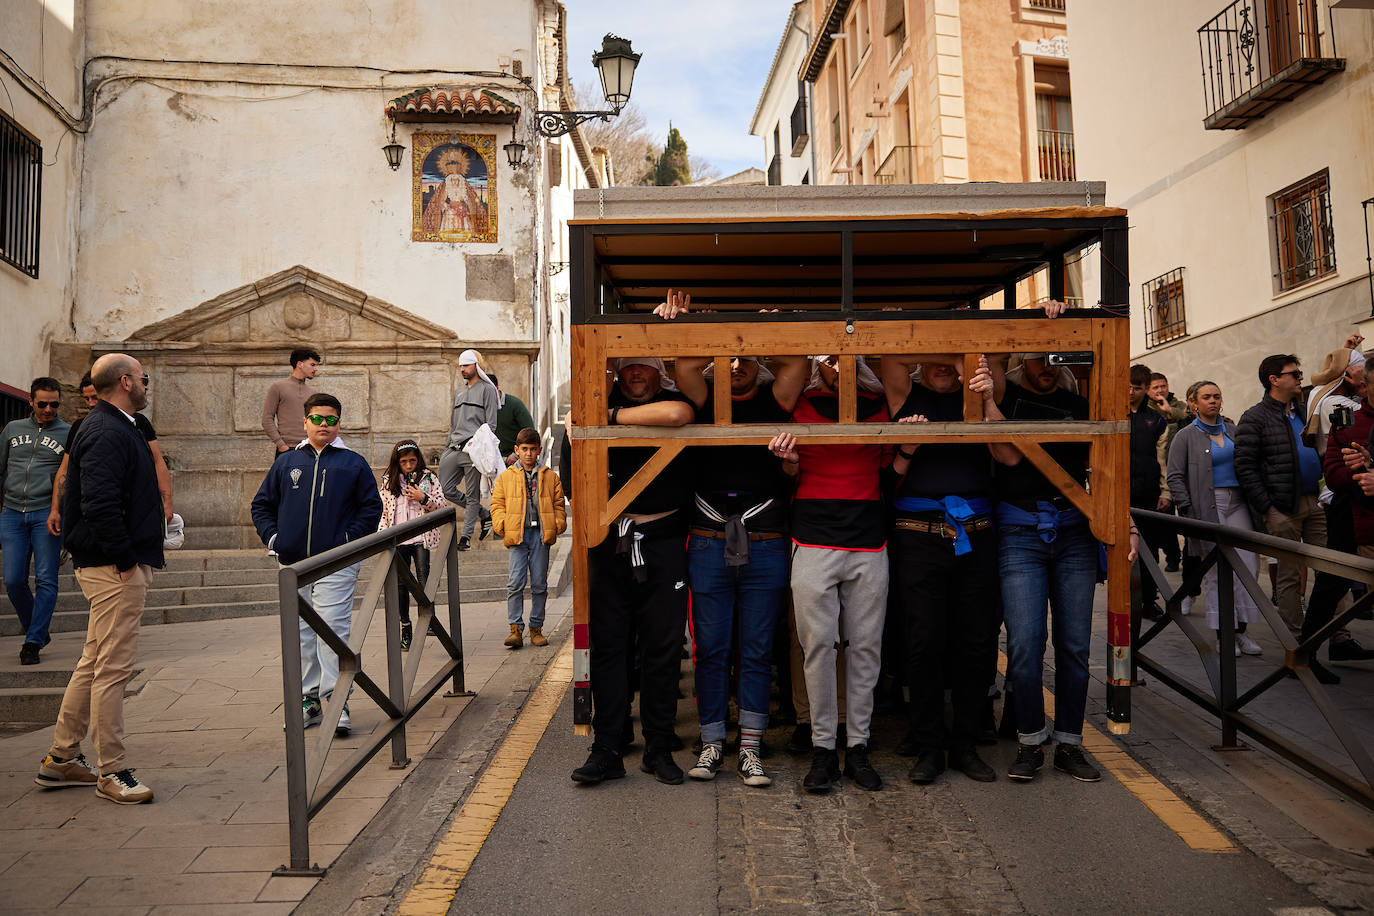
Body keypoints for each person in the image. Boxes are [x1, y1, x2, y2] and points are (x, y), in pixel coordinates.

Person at [655, 289, 808, 789]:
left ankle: (751, 747)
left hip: (764, 539)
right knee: (712, 648)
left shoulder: (775, 397)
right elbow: (684, 364)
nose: (738, 363)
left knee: (758, 647)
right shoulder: (702, 397)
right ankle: (713, 740)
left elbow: (796, 361)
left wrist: (756, 333)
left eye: (746, 357)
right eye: (730, 355)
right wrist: (724, 331)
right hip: (707, 539)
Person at [36, 354, 162, 804]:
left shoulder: (115, 424)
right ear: (126, 382)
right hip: (113, 567)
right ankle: (112, 770)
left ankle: (61, 758)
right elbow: (97, 501)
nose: (147, 384)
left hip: (110, 562)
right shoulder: (108, 429)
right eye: (143, 378)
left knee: (93, 660)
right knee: (113, 667)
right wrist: (124, 558)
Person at [881, 354, 1012, 786]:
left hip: (975, 532)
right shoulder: (905, 392)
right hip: (918, 535)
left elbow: (1007, 454)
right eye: (932, 357)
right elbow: (891, 355)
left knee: (976, 643)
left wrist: (964, 364)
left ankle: (966, 745)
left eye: (949, 358)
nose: (939, 364)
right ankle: (928, 745)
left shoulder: (982, 391)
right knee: (923, 643)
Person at [570, 357, 696, 787]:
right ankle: (607, 747)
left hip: (663, 542)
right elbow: (574, 482)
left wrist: (608, 418)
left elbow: (679, 415)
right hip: (609, 544)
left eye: (644, 367)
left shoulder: (669, 402)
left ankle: (659, 747)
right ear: (616, 374)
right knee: (609, 648)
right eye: (628, 369)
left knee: (662, 648)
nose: (636, 375)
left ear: (657, 372)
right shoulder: (591, 406)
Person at [769, 355, 890, 794]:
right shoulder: (798, 402)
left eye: (849, 358)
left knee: (866, 647)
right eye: (832, 360)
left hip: (868, 538)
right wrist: (789, 463)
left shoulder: (879, 403)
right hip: (813, 537)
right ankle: (823, 748)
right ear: (821, 366)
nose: (841, 365)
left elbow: (889, 466)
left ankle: (857, 745)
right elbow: (787, 473)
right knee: (817, 647)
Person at [991, 352, 1103, 784]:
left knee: (1074, 646)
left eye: (1056, 358)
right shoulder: (1010, 393)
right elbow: (995, 356)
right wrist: (1037, 322)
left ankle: (1070, 744)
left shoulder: (1082, 404)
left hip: (1074, 531)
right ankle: (1031, 741)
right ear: (1023, 361)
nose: (1048, 366)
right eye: (1039, 357)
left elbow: (1108, 465)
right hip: (1020, 532)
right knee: (1024, 644)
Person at [251, 393, 382, 738]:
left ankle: (338, 701)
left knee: (332, 631)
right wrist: (275, 540)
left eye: (331, 419)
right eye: (318, 419)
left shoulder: (352, 463)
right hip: (293, 564)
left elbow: (371, 509)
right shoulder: (286, 463)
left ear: (339, 423)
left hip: (336, 564)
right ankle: (308, 700)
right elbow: (261, 505)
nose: (324, 425)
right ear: (305, 422)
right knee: (301, 634)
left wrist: (346, 540)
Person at [1166, 381, 1265, 658]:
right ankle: (1225, 635)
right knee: (1216, 572)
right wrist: (1187, 508)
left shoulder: (1234, 431)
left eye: (1216, 396)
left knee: (1247, 567)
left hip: (1238, 504)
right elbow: (1174, 475)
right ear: (1194, 404)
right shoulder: (1185, 435)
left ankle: (1242, 632)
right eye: (1206, 397)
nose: (1213, 401)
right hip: (1208, 507)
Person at [1234, 355, 1325, 636]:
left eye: (1300, 372)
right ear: (1274, 379)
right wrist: (1269, 509)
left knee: (1332, 570)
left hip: (1316, 502)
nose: (1300, 377)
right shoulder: (1255, 417)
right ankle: (1296, 640)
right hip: (1283, 508)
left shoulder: (1303, 412)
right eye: (1294, 373)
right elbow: (1245, 467)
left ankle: (1337, 636)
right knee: (1289, 575)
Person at [1302, 343, 1374, 663]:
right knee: (1334, 579)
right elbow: (1338, 465)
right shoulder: (1341, 407)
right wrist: (1362, 470)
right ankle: (1308, 651)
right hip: (1347, 505)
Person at [48, 371, 174, 540]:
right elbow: (65, 470)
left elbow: (157, 462)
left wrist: (166, 501)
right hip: (95, 519)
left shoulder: (139, 423)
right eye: (87, 399)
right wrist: (55, 509)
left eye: (95, 397)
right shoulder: (80, 427)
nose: (91, 404)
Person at [2, 377, 70, 664]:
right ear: (30, 401)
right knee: (14, 579)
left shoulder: (67, 433)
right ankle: (38, 628)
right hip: (12, 512)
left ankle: (32, 642)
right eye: (42, 403)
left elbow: (67, 477)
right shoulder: (12, 430)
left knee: (45, 579)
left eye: (54, 404)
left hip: (46, 512)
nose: (48, 409)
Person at [490, 427, 566, 650]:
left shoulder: (550, 477)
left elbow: (559, 505)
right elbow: (497, 505)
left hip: (540, 536)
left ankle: (536, 628)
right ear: (517, 450)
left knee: (540, 584)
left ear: (539, 450)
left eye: (533, 449)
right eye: (524, 449)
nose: (529, 454)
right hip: (518, 536)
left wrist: (557, 524)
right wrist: (502, 525)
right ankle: (515, 628)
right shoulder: (505, 477)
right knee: (515, 583)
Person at [377, 440, 446, 651]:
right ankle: (405, 626)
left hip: (421, 537)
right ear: (397, 461)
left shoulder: (428, 477)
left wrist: (423, 497)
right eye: (404, 461)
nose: (408, 465)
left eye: (412, 461)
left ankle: (428, 620)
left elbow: (442, 505)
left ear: (418, 460)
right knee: (400, 586)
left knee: (425, 578)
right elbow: (384, 511)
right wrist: (382, 537)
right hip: (398, 537)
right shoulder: (389, 480)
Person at [439, 349, 499, 550]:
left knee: (473, 495)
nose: (462, 369)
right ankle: (484, 514)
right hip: (454, 448)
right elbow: (453, 423)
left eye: (466, 365)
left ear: (476, 365)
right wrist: (447, 447)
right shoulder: (458, 391)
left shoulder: (487, 390)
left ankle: (466, 538)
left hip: (473, 450)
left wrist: (477, 447)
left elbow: (491, 425)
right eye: (461, 366)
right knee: (445, 489)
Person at [1129, 364, 1171, 620]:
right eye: (1128, 386)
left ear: (1147, 389)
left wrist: (1165, 492)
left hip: (1148, 494)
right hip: (1121, 495)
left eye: (1137, 387)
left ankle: (1148, 599)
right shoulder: (1113, 414)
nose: (1131, 392)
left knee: (1150, 551)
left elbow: (1162, 459)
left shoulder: (1156, 420)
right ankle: (1125, 598)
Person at [1147, 372, 1187, 571]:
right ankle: (1172, 556)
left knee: (1188, 515)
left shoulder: (1179, 405)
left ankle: (1189, 555)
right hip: (1162, 472)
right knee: (1167, 518)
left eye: (1163, 386)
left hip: (1183, 470)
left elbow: (1188, 417)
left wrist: (1169, 410)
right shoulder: (1146, 410)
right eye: (1155, 387)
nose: (1160, 390)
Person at [263, 348, 321, 457]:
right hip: (286, 449)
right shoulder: (278, 387)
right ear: (300, 364)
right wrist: (281, 445)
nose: (315, 369)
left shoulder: (313, 393)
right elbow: (267, 419)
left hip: (309, 449)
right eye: (312, 365)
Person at [487, 373, 536, 466]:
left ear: (496, 388)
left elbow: (530, 433)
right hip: (492, 462)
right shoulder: (482, 408)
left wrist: (516, 455)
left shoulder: (515, 405)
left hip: (514, 461)